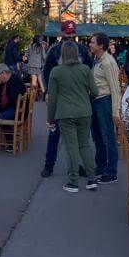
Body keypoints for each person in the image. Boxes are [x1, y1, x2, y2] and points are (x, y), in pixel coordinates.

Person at [41, 20, 94, 178]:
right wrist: (48, 92)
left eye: (72, 33)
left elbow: (90, 71)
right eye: (67, 33)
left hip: (78, 98)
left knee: (78, 137)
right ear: (62, 34)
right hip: (59, 99)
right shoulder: (54, 51)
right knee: (54, 134)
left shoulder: (83, 50)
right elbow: (46, 73)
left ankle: (77, 166)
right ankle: (49, 165)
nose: (70, 36)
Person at [46, 40, 97, 192]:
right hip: (84, 112)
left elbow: (52, 99)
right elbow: (94, 92)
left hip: (65, 113)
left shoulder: (56, 71)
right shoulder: (85, 69)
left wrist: (50, 119)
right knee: (85, 145)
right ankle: (91, 178)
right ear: (77, 53)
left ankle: (74, 181)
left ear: (61, 54)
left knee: (71, 147)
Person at [89, 32, 121, 185]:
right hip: (95, 102)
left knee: (108, 137)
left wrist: (115, 111)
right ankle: (100, 166)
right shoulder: (96, 59)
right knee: (97, 137)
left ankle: (111, 171)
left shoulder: (109, 63)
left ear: (101, 45)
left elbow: (115, 89)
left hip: (104, 102)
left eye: (93, 42)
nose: (90, 44)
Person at [0, 64, 26, 140]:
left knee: (1, 118)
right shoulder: (6, 81)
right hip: (8, 107)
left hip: (16, 110)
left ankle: (10, 141)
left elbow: (13, 100)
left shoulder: (15, 81)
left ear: (4, 73)